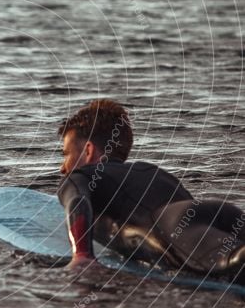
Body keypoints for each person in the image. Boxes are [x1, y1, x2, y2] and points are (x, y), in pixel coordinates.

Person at [57, 98, 245, 281]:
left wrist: (81, 256)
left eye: (66, 154)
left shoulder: (79, 176)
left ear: (88, 150)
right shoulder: (149, 170)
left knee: (236, 261)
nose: (62, 167)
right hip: (220, 213)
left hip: (175, 228)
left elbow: (77, 201)